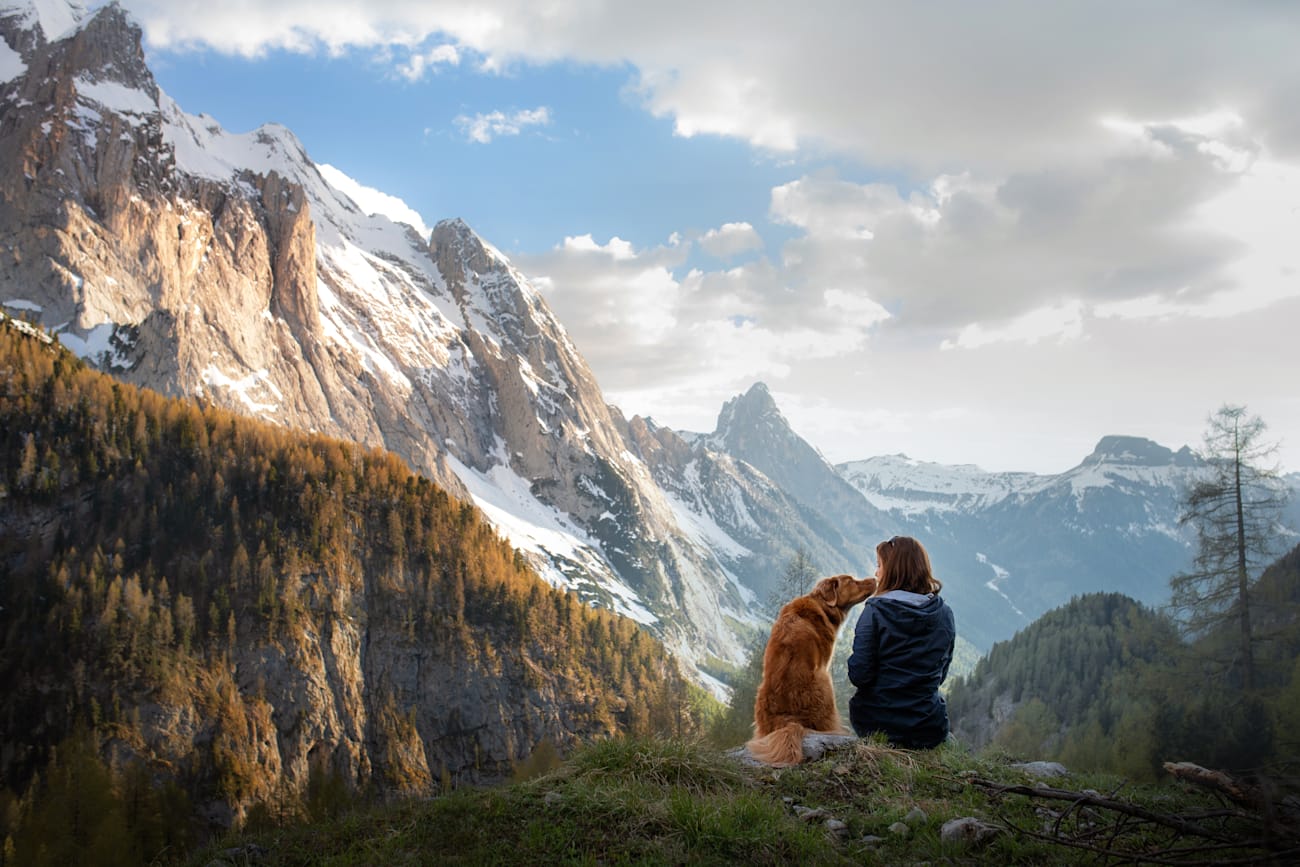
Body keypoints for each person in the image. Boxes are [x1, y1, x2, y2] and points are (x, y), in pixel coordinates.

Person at [847, 535, 956, 749]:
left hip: (876, 724)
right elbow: (940, 675)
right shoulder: (944, 614)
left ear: (894, 570)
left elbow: (859, 675)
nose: (876, 573)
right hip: (928, 727)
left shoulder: (875, 612)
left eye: (879, 565)